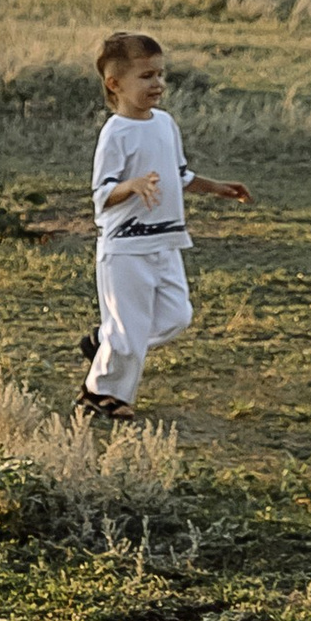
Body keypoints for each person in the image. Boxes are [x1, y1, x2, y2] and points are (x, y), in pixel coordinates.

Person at [80, 28, 250, 419]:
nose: (157, 84)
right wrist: (132, 186)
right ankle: (101, 395)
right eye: (146, 76)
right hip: (124, 248)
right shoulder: (115, 133)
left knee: (176, 317)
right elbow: (102, 194)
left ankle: (105, 345)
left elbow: (180, 175)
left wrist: (217, 187)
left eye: (160, 74)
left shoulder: (165, 124)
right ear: (114, 84)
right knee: (129, 329)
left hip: (167, 242)